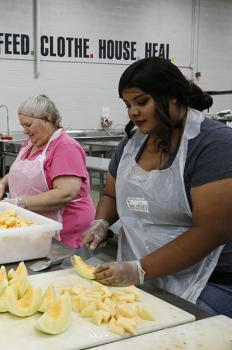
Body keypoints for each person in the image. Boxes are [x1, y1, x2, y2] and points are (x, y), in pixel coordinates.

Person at [82, 57, 232, 317]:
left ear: (173, 97)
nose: (133, 113)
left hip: (206, 278)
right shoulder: (131, 144)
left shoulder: (212, 144)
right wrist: (102, 222)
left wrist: (140, 269)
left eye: (142, 102)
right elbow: (109, 194)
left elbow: (211, 231)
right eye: (128, 105)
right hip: (140, 272)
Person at [0, 94, 95, 248]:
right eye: (22, 125)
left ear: (47, 118)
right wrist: (2, 184)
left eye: (28, 125)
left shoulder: (65, 147)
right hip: (36, 224)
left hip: (62, 231)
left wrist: (21, 203)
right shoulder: (29, 144)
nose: (25, 130)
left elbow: (65, 193)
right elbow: (20, 172)